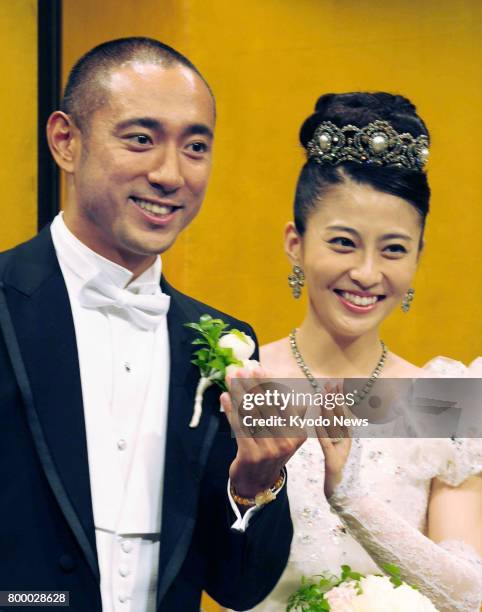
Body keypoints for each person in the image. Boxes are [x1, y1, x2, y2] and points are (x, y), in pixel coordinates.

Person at [0, 37, 302, 612]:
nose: (170, 174)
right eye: (141, 139)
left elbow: (243, 588)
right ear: (66, 141)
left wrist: (253, 487)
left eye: (195, 147)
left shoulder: (229, 342)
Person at [245, 93, 482, 611]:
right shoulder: (246, 386)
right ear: (295, 243)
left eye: (394, 249)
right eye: (344, 243)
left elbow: (470, 595)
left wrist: (353, 502)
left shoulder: (442, 400)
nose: (368, 274)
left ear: (418, 256)